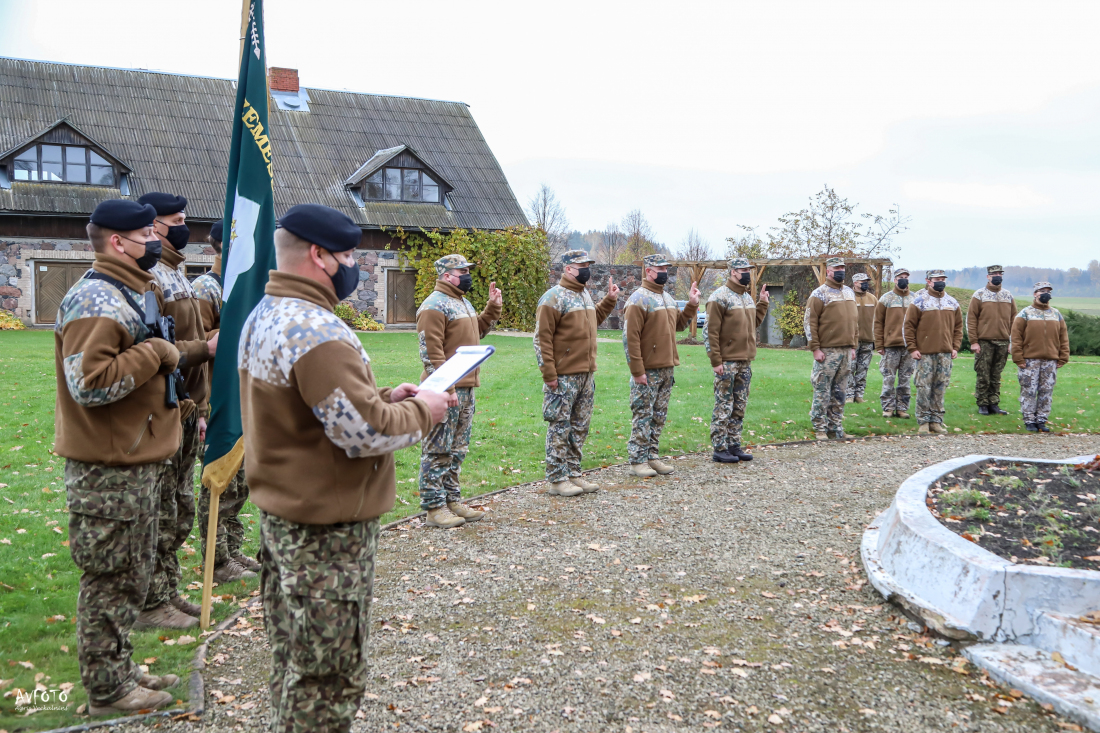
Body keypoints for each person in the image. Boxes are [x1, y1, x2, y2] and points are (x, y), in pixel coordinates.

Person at [239, 203, 449, 733]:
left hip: (286, 517)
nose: (356, 266)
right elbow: (365, 434)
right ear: (319, 255)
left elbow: (306, 411)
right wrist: (424, 410)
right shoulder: (317, 330)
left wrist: (383, 397)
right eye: (350, 256)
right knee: (328, 679)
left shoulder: (265, 313)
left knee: (294, 658)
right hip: (324, 537)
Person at [55, 199, 183, 714]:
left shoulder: (129, 290)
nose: (155, 241)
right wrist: (155, 353)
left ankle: (120, 668)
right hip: (106, 471)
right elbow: (89, 384)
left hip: (132, 461)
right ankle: (107, 690)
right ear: (117, 242)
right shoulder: (94, 299)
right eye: (146, 234)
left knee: (131, 573)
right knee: (110, 578)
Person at [134, 192, 217, 628]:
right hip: (167, 405)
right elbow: (156, 347)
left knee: (179, 506)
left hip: (189, 405)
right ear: (155, 227)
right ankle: (152, 600)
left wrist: (200, 407)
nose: (185, 228)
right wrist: (205, 348)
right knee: (163, 508)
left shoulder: (178, 273)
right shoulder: (152, 278)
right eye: (177, 221)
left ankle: (167, 590)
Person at [192, 220, 258, 582]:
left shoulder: (245, 285)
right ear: (220, 245)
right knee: (218, 481)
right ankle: (216, 561)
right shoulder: (206, 288)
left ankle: (232, 549)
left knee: (239, 482)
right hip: (218, 396)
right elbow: (198, 341)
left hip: (245, 394)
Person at [416, 254, 502, 527]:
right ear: (446, 275)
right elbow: (431, 353)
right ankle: (434, 508)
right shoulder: (433, 306)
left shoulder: (461, 302)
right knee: (438, 449)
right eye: (462, 271)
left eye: (467, 270)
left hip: (465, 388)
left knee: (456, 450)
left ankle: (452, 500)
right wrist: (449, 388)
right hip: (443, 391)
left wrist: (492, 308)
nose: (467, 275)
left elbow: (477, 332)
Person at [534, 250, 620, 496]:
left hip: (586, 374)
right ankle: (557, 479)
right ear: (568, 268)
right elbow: (541, 339)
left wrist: (609, 300)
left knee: (580, 427)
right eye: (582, 265)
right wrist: (549, 373)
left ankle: (573, 473)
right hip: (563, 376)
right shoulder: (552, 298)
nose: (586, 269)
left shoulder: (584, 295)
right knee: (559, 427)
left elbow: (593, 321)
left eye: (588, 265)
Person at [623, 254, 700, 477]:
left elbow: (679, 325)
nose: (665, 272)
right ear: (648, 271)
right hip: (647, 370)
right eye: (660, 269)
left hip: (667, 368)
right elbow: (630, 338)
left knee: (658, 416)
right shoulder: (638, 299)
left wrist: (692, 305)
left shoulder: (667, 298)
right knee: (643, 415)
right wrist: (637, 370)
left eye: (666, 268)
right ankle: (637, 461)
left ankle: (652, 456)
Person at [704, 257, 769, 463]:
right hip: (727, 362)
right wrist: (716, 360)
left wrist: (762, 303)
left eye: (749, 270)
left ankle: (734, 445)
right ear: (733, 272)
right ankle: (720, 447)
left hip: (745, 360)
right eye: (744, 270)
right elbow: (710, 331)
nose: (748, 274)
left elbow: (752, 323)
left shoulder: (747, 298)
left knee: (739, 405)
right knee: (724, 405)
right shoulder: (719, 297)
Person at [804, 257, 857, 440]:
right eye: (836, 268)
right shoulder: (819, 294)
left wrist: (853, 345)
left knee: (840, 392)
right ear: (828, 271)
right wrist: (815, 348)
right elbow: (809, 322)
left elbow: (854, 322)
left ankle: (836, 428)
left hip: (846, 351)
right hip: (827, 351)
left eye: (842, 267)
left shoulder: (849, 292)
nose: (840, 271)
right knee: (822, 390)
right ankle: (820, 428)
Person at [904, 269, 963, 434]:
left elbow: (958, 327)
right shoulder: (919, 302)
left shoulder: (952, 303)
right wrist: (912, 348)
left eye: (943, 279)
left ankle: (936, 421)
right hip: (924, 353)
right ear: (928, 281)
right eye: (937, 279)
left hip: (945, 353)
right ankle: (923, 421)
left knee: (940, 387)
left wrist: (955, 347)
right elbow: (908, 327)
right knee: (923, 387)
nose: (940, 282)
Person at [1011, 282, 1069, 432]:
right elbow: (1016, 337)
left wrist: (1063, 356)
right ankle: (1029, 420)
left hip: (1050, 360)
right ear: (1035, 293)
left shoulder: (1056, 314)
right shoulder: (1025, 313)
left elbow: (1063, 337)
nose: (1045, 293)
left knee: (1046, 391)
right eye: (1042, 291)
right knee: (1029, 390)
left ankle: (1041, 420)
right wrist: (1018, 357)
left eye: (1048, 291)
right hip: (1029, 360)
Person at [968, 265, 1014, 415]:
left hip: (1003, 341)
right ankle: (982, 403)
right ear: (988, 276)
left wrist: (1012, 341)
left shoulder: (1008, 295)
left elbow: (1014, 320)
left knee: (996, 375)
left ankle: (994, 403)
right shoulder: (979, 295)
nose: (997, 276)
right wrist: (974, 341)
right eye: (994, 274)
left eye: (1000, 273)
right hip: (984, 342)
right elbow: (971, 319)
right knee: (983, 374)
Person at [874, 268, 916, 418]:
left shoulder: (915, 298)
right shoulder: (886, 299)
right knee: (889, 378)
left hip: (909, 346)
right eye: (900, 277)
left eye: (906, 277)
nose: (903, 279)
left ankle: (902, 408)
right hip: (891, 346)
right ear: (895, 280)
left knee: (905, 379)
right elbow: (878, 323)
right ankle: (888, 408)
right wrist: (879, 344)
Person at [846, 272, 877, 404]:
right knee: (849, 368)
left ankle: (859, 395)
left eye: (867, 282)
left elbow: (878, 319)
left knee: (863, 369)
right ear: (855, 283)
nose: (866, 284)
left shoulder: (872, 299)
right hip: (852, 341)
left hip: (868, 340)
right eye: (863, 282)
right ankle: (849, 395)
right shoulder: (849, 298)